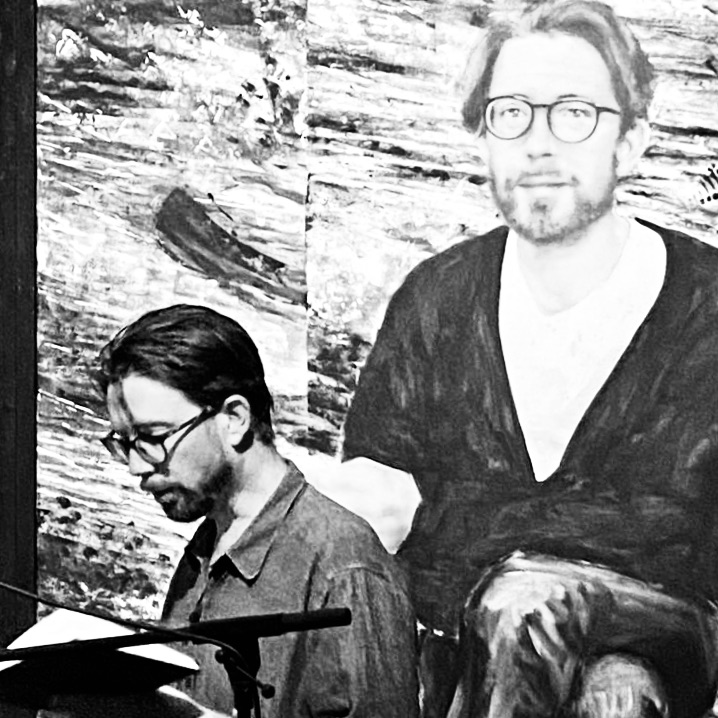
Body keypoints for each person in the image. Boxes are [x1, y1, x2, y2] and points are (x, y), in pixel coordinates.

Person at [339, 2, 718, 717]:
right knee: (616, 694)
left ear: (630, 142)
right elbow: (372, 510)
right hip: (475, 655)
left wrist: (461, 532)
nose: (539, 144)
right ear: (483, 139)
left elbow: (685, 550)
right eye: (511, 114)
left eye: (574, 113)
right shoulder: (437, 299)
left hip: (676, 626)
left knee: (526, 601)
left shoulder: (708, 304)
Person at [93, 303, 419, 718]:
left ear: (234, 418)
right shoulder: (204, 553)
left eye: (152, 438)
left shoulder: (344, 567)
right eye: (124, 443)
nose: (136, 466)